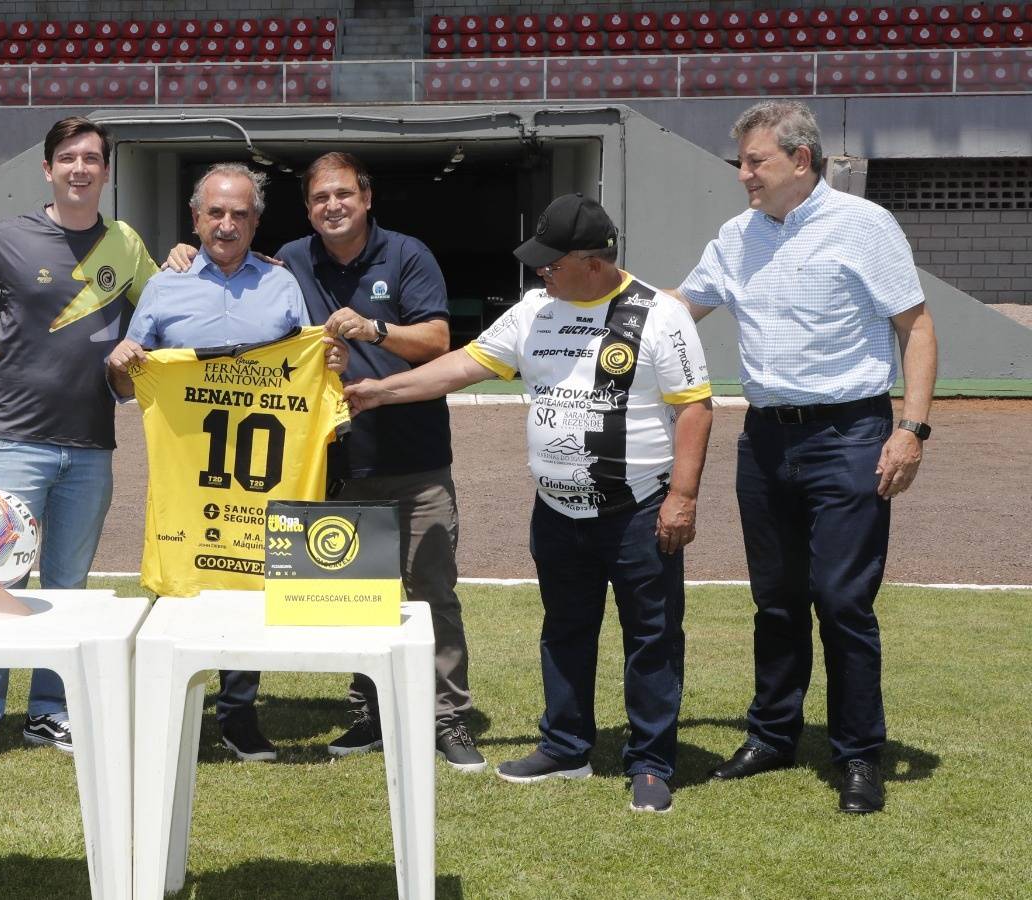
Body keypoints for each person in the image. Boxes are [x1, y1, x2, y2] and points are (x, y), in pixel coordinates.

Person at [351, 193, 714, 812]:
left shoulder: (660, 315)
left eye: (552, 262)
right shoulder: (535, 311)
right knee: (565, 629)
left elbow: (695, 410)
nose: (540, 272)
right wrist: (383, 390)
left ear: (592, 262)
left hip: (637, 510)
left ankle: (651, 763)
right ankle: (565, 746)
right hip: (557, 510)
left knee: (651, 637)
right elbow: (462, 365)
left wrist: (681, 498)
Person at [676, 100, 938, 815]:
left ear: (801, 159)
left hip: (851, 433)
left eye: (754, 161)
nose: (743, 176)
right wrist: (590, 306)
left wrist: (910, 430)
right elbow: (677, 308)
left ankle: (858, 754)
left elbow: (915, 328)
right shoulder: (735, 238)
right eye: (741, 162)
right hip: (764, 440)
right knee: (778, 599)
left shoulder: (864, 226)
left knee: (842, 599)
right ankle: (772, 736)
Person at [0, 116, 159, 774]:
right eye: (69, 158)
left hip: (92, 445)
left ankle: (47, 709)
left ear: (106, 171)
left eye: (92, 158)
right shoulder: (8, 237)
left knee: (69, 586)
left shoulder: (126, 243)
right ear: (47, 168)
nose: (81, 168)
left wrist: (184, 264)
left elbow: (167, 308)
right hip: (12, 440)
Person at [108, 163, 345, 763]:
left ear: (256, 221)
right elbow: (129, 383)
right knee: (185, 582)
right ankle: (176, 710)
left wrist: (330, 361)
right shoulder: (164, 286)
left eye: (240, 213)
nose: (227, 223)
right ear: (196, 218)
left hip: (263, 475)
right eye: (215, 212)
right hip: (189, 471)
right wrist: (121, 360)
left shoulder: (281, 284)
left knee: (249, 587)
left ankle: (239, 714)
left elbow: (309, 361)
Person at [280, 152, 485, 773]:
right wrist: (185, 256)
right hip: (332, 464)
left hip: (415, 458)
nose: (332, 207)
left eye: (343, 194)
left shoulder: (406, 255)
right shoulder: (290, 260)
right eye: (320, 199)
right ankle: (368, 712)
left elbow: (438, 340)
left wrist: (372, 329)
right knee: (351, 599)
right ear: (309, 208)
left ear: (366, 198)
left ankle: (447, 717)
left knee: (431, 595)